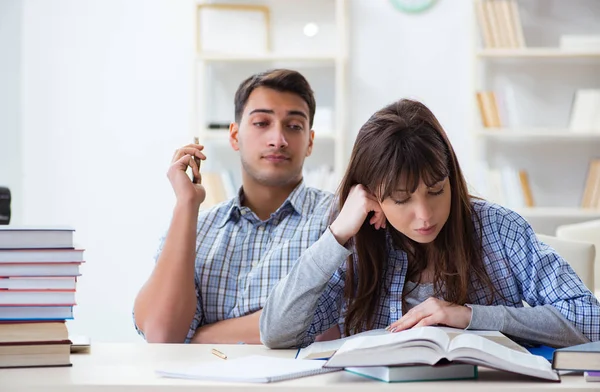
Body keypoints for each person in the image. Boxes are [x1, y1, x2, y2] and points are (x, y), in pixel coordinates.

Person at [260, 98, 600, 349]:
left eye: (436, 191)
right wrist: (336, 235)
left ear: (451, 177)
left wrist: (470, 317)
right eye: (401, 198)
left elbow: (590, 320)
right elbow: (277, 333)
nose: (424, 215)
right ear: (371, 196)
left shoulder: (498, 228)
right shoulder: (354, 242)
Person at [133, 69, 335, 344]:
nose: (278, 139)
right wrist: (186, 204)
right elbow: (162, 335)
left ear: (309, 142)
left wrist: (198, 339)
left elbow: (329, 325)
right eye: (262, 123)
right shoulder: (198, 228)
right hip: (199, 387)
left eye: (294, 126)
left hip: (299, 387)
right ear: (234, 135)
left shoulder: (338, 220)